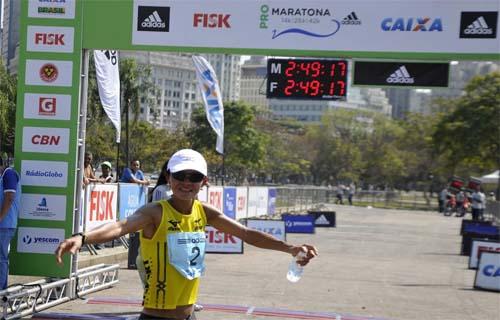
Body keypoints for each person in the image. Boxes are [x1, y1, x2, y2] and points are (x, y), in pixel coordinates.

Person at [55, 149, 318, 320]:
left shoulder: (205, 212)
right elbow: (121, 225)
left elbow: (248, 234)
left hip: (189, 315)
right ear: (169, 178)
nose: (186, 182)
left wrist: (291, 248)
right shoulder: (155, 212)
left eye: (194, 177)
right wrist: (83, 237)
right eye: (180, 175)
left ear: (204, 182)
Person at [0, 158, 21, 290]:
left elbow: (9, 197)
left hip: (5, 224)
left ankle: (1, 291)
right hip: (3, 223)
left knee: (1, 258)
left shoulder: (9, 174)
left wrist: (0, 218)